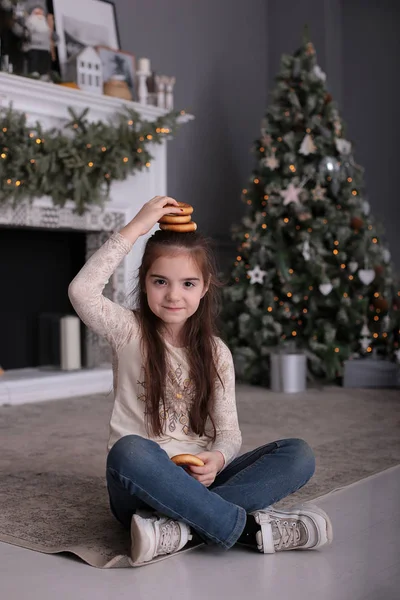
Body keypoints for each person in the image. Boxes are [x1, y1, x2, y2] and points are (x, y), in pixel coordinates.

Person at [68, 195, 333, 566]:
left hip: (201, 483)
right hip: (140, 485)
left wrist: (218, 458)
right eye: (160, 281)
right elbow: (81, 291)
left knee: (297, 454)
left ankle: (178, 530)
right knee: (129, 450)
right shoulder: (127, 330)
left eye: (188, 283)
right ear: (144, 283)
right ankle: (244, 531)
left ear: (205, 287)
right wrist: (136, 228)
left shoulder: (217, 352)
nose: (174, 295)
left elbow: (229, 432)